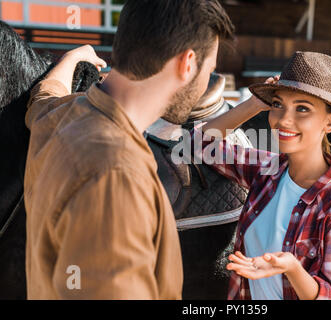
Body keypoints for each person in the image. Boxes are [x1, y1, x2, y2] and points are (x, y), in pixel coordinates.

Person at [24, 0, 234, 299]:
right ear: (187, 64)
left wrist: (71, 59)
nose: (205, 82)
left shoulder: (61, 116)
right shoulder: (119, 176)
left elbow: (44, 97)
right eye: (208, 70)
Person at [191, 51, 331, 300]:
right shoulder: (267, 170)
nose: (284, 120)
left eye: (302, 109)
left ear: (330, 122)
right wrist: (254, 104)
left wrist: (292, 267)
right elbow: (200, 144)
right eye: (278, 105)